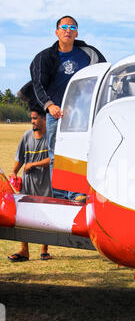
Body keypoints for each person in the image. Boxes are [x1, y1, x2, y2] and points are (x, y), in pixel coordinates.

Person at [29, 15, 106, 199]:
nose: (68, 30)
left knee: (82, 151)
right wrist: (49, 105)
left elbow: (103, 72)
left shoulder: (89, 53)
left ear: (77, 32)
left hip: (83, 113)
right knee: (57, 156)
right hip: (57, 113)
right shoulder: (44, 57)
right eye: (64, 27)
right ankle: (60, 196)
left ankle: (77, 194)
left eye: (72, 27)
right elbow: (38, 84)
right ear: (57, 32)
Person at [8, 106, 53, 262]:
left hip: (46, 183)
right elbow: (20, 158)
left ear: (44, 119)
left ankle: (44, 250)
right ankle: (24, 250)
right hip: (28, 184)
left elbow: (52, 159)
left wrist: (33, 165)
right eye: (31, 118)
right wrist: (14, 172)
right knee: (23, 216)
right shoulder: (27, 136)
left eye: (35, 118)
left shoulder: (50, 138)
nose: (32, 121)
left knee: (46, 217)